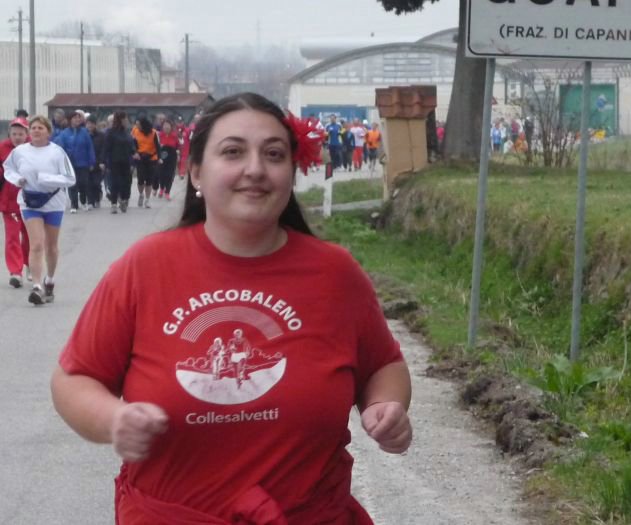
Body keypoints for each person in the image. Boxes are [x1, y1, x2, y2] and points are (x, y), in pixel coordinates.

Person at [51, 92, 412, 524]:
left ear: (291, 172)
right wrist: (113, 418)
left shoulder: (335, 273)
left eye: (273, 154)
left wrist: (385, 406)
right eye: (233, 152)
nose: (255, 169)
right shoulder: (144, 267)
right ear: (197, 172)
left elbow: (383, 365)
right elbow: (75, 379)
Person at [2, 115, 76, 305]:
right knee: (36, 244)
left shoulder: (57, 152)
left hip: (53, 203)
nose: (36, 131)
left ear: (48, 132)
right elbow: (8, 169)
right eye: (33, 128)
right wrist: (17, 179)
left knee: (51, 246)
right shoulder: (20, 152)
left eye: (40, 128)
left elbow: (70, 178)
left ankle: (49, 279)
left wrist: (47, 179)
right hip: (29, 202)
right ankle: (36, 286)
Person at [0, 118, 31, 288]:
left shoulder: (34, 148)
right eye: (14, 134)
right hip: (9, 201)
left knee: (30, 236)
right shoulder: (2, 149)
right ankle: (15, 272)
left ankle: (31, 264)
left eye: (21, 134)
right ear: (9, 134)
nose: (17, 137)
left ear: (26, 134)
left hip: (31, 201)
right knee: (12, 237)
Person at [54, 110, 96, 213]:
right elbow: (61, 148)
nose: (77, 120)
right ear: (70, 120)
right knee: (72, 184)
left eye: (79, 118)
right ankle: (74, 205)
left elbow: (89, 147)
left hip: (83, 163)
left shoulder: (84, 132)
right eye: (75, 118)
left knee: (83, 183)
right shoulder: (64, 133)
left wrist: (92, 161)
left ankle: (83, 201)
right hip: (70, 163)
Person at [103, 111, 136, 214]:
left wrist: (134, 153)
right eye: (125, 119)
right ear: (120, 120)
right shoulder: (110, 132)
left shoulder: (126, 132)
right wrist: (103, 161)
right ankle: (113, 204)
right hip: (114, 161)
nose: (127, 121)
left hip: (126, 161)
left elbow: (131, 145)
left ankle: (124, 200)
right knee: (115, 183)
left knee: (126, 182)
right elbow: (106, 148)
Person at [131, 117, 162, 209]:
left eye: (139, 124)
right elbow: (132, 144)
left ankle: (147, 200)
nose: (137, 126)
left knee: (149, 180)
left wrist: (159, 158)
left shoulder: (153, 133)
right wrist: (134, 153)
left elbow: (158, 146)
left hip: (152, 158)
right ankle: (141, 194)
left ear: (144, 125)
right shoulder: (135, 131)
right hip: (140, 157)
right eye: (136, 124)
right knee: (140, 179)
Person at [156, 119, 180, 200]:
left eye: (168, 125)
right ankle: (162, 188)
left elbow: (178, 147)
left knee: (170, 175)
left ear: (171, 126)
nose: (166, 127)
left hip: (172, 157)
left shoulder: (175, 136)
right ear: (162, 126)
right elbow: (156, 146)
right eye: (165, 125)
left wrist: (178, 155)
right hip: (162, 157)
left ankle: (167, 192)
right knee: (161, 174)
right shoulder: (159, 135)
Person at [86, 115, 106, 208]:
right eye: (88, 123)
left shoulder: (101, 136)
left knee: (96, 183)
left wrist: (102, 162)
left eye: (91, 124)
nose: (89, 125)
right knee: (88, 183)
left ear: (95, 125)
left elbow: (103, 150)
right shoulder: (84, 135)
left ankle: (97, 198)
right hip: (87, 163)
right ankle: (90, 202)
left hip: (98, 163)